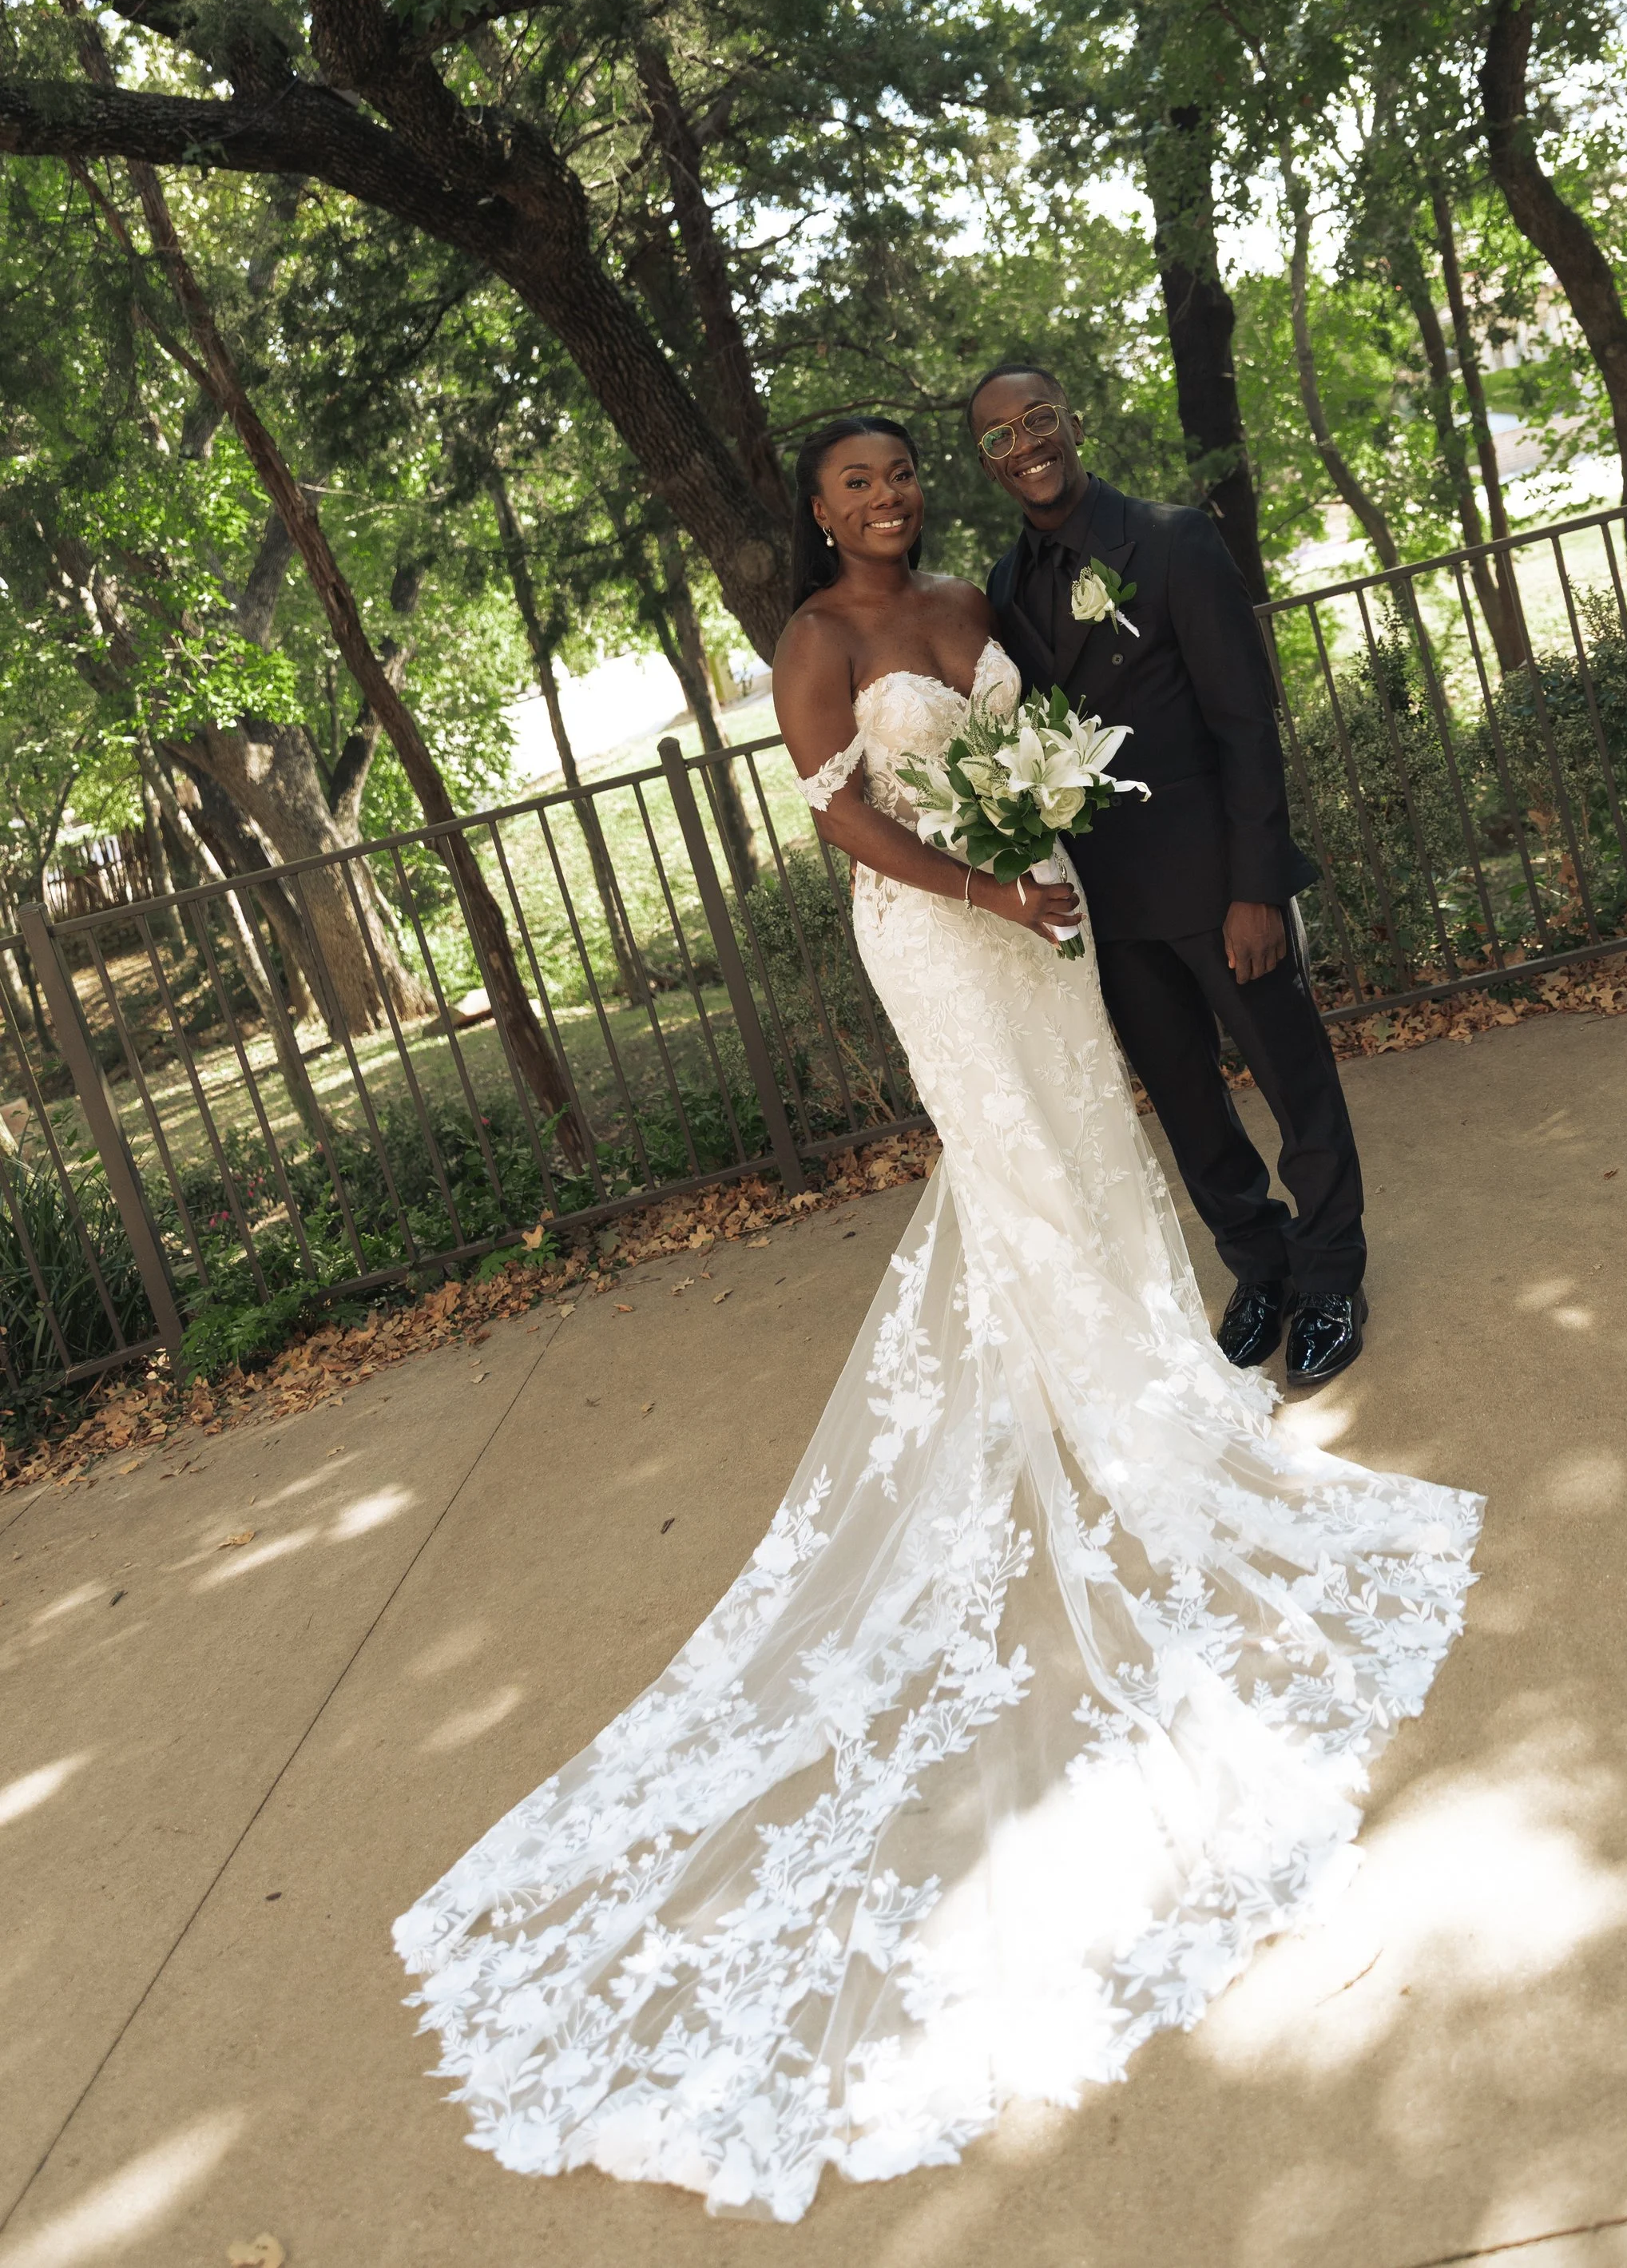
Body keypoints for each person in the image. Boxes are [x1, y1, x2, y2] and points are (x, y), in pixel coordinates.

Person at [392, 411, 1481, 2226]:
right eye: (856, 481)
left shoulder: (983, 594)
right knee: (1025, 1167)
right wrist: (987, 875)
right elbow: (848, 826)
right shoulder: (814, 645)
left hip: (1047, 918)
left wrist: (1045, 840)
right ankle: (1104, 1407)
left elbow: (1053, 732)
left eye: (904, 473)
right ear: (814, 511)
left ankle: (1144, 1365)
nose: (888, 496)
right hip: (950, 935)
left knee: (1095, 1150)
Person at [975, 360, 1370, 1388]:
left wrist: (1255, 887)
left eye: (1040, 420)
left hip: (1215, 883)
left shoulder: (1173, 539)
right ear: (987, 462)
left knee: (1293, 1082)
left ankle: (1332, 1278)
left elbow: (1246, 723)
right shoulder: (1005, 588)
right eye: (999, 438)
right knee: (1187, 1102)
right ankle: (1262, 1267)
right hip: (1108, 902)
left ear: (1071, 421)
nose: (1026, 445)